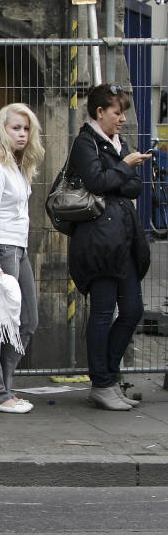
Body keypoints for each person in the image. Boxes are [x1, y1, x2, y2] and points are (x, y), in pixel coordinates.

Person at [67, 84, 151, 411]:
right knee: (102, 312)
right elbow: (98, 182)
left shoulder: (118, 144)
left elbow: (135, 188)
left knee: (132, 310)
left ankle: (110, 377)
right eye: (117, 112)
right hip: (98, 243)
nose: (123, 118)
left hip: (123, 241)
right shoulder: (85, 143)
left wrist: (121, 172)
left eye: (124, 111)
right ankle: (101, 383)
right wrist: (125, 166)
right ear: (99, 112)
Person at [0, 103, 45, 414]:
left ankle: (4, 388)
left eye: (26, 129)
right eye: (16, 127)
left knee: (26, 321)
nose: (22, 134)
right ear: (2, 128)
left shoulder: (14, 164)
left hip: (17, 248)